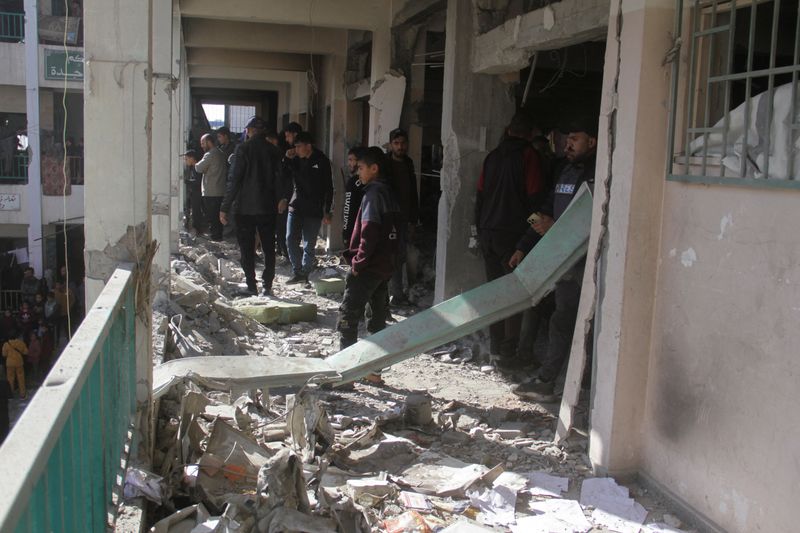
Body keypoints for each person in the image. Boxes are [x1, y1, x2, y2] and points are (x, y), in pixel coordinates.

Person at [512, 117, 597, 400]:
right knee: (562, 321)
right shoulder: (566, 170)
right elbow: (547, 208)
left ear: (593, 142)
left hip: (587, 263)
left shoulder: (599, 174)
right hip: (566, 262)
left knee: (587, 325)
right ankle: (551, 381)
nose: (568, 144)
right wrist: (524, 245)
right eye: (567, 138)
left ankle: (580, 385)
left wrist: (555, 227)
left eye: (575, 138)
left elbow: (592, 220)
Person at [474, 112, 545, 366]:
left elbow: (480, 196)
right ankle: (509, 353)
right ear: (531, 134)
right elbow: (534, 199)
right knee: (514, 293)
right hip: (513, 236)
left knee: (495, 292)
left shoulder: (492, 157)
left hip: (489, 233)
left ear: (508, 130)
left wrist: (480, 231)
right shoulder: (529, 156)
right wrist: (531, 234)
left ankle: (495, 347)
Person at [337, 147, 401, 350]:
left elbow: (369, 233)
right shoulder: (388, 191)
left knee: (348, 318)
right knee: (377, 320)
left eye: (361, 168)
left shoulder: (372, 195)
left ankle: (344, 374)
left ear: (374, 168)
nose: (358, 172)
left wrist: (358, 263)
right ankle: (374, 370)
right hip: (383, 266)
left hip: (369, 267)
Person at [220, 116, 289, 296]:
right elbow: (279, 178)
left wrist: (224, 206)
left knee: (247, 248)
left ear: (249, 131)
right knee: (268, 246)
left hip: (245, 208)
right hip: (267, 207)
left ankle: (251, 284)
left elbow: (234, 180)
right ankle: (267, 284)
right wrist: (281, 198)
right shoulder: (274, 151)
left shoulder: (242, 149)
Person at [284, 132, 334, 284]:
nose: (296, 149)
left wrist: (327, 210)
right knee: (290, 239)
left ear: (308, 146)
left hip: (313, 208)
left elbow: (329, 187)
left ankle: (304, 273)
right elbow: (284, 173)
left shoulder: (321, 161)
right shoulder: (295, 160)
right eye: (295, 146)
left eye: (299, 146)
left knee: (309, 244)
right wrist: (287, 158)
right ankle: (297, 271)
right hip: (296, 205)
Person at [384, 129, 419, 305]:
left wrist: (414, 219)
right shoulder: (384, 164)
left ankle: (401, 292)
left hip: (405, 218)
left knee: (403, 255)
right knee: (391, 256)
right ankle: (394, 294)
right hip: (389, 219)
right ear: (391, 144)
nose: (400, 147)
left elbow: (413, 193)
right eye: (396, 143)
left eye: (403, 143)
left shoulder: (408, 163)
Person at [194, 133, 228, 241]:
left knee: (212, 219)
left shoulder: (210, 154)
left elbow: (199, 168)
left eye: (203, 143)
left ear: (209, 142)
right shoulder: (221, 153)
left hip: (211, 192)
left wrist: (195, 163)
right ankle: (218, 238)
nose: (202, 146)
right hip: (220, 191)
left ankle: (215, 239)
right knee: (218, 218)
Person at [342, 146, 367, 247]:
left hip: (355, 231)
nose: (349, 163)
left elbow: (348, 210)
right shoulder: (369, 180)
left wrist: (346, 234)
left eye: (352, 160)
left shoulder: (353, 183)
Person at [182, 149, 206, 235]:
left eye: (186, 159)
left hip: (197, 192)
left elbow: (197, 182)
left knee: (197, 212)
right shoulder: (193, 167)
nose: (186, 161)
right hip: (195, 192)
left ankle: (198, 230)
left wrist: (186, 181)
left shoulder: (197, 167)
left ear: (192, 158)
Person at [2, 332, 27, 399]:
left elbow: (4, 354)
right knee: (21, 378)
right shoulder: (20, 343)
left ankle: (10, 394)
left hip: (10, 363)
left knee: (10, 378)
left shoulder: (6, 344)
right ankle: (22, 394)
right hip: (19, 362)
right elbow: (25, 352)